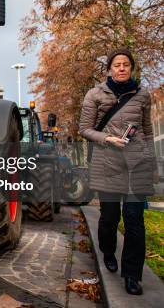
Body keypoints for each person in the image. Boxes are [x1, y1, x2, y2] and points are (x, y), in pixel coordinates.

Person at [79, 48, 155, 296]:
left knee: (135, 220)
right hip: (107, 163)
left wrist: (150, 160)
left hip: (137, 166)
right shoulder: (95, 94)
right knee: (110, 217)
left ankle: (132, 275)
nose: (121, 68)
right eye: (116, 65)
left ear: (131, 68)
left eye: (126, 64)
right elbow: (85, 129)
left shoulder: (143, 95)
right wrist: (108, 138)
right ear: (109, 69)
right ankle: (109, 251)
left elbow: (147, 131)